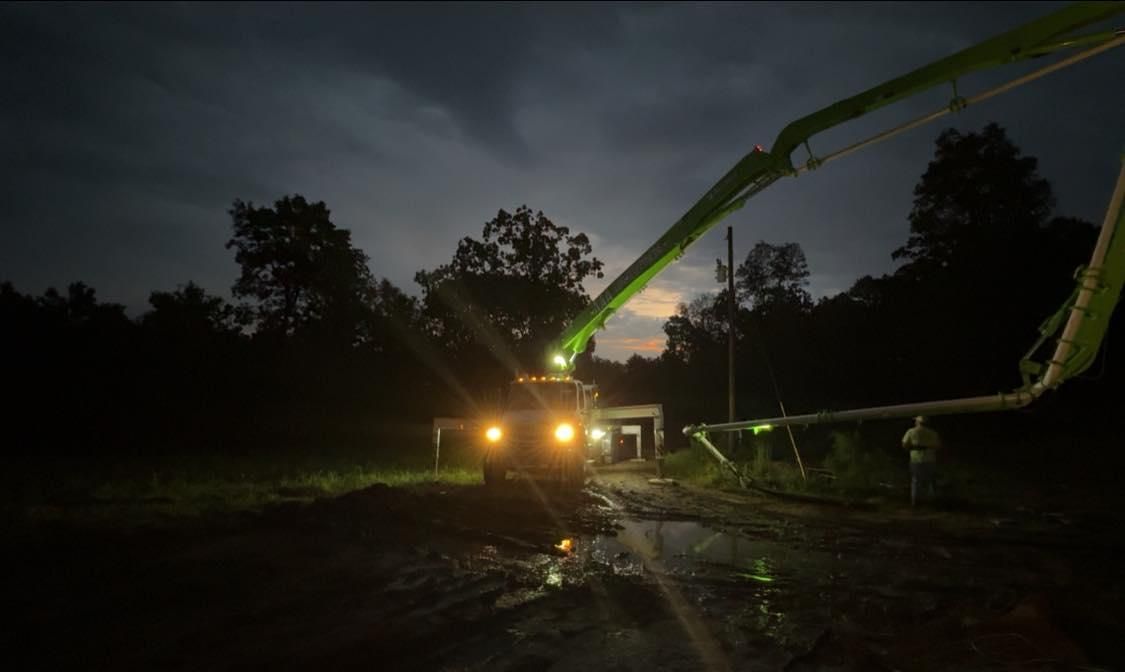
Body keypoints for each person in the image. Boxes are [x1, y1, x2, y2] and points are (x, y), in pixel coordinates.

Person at [901, 415, 941, 507]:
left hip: (915, 459)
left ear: (918, 422)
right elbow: (938, 446)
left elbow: (904, 444)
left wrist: (911, 449)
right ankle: (931, 502)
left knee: (916, 481)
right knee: (929, 481)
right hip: (930, 459)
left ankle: (915, 502)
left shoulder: (911, 431)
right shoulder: (932, 433)